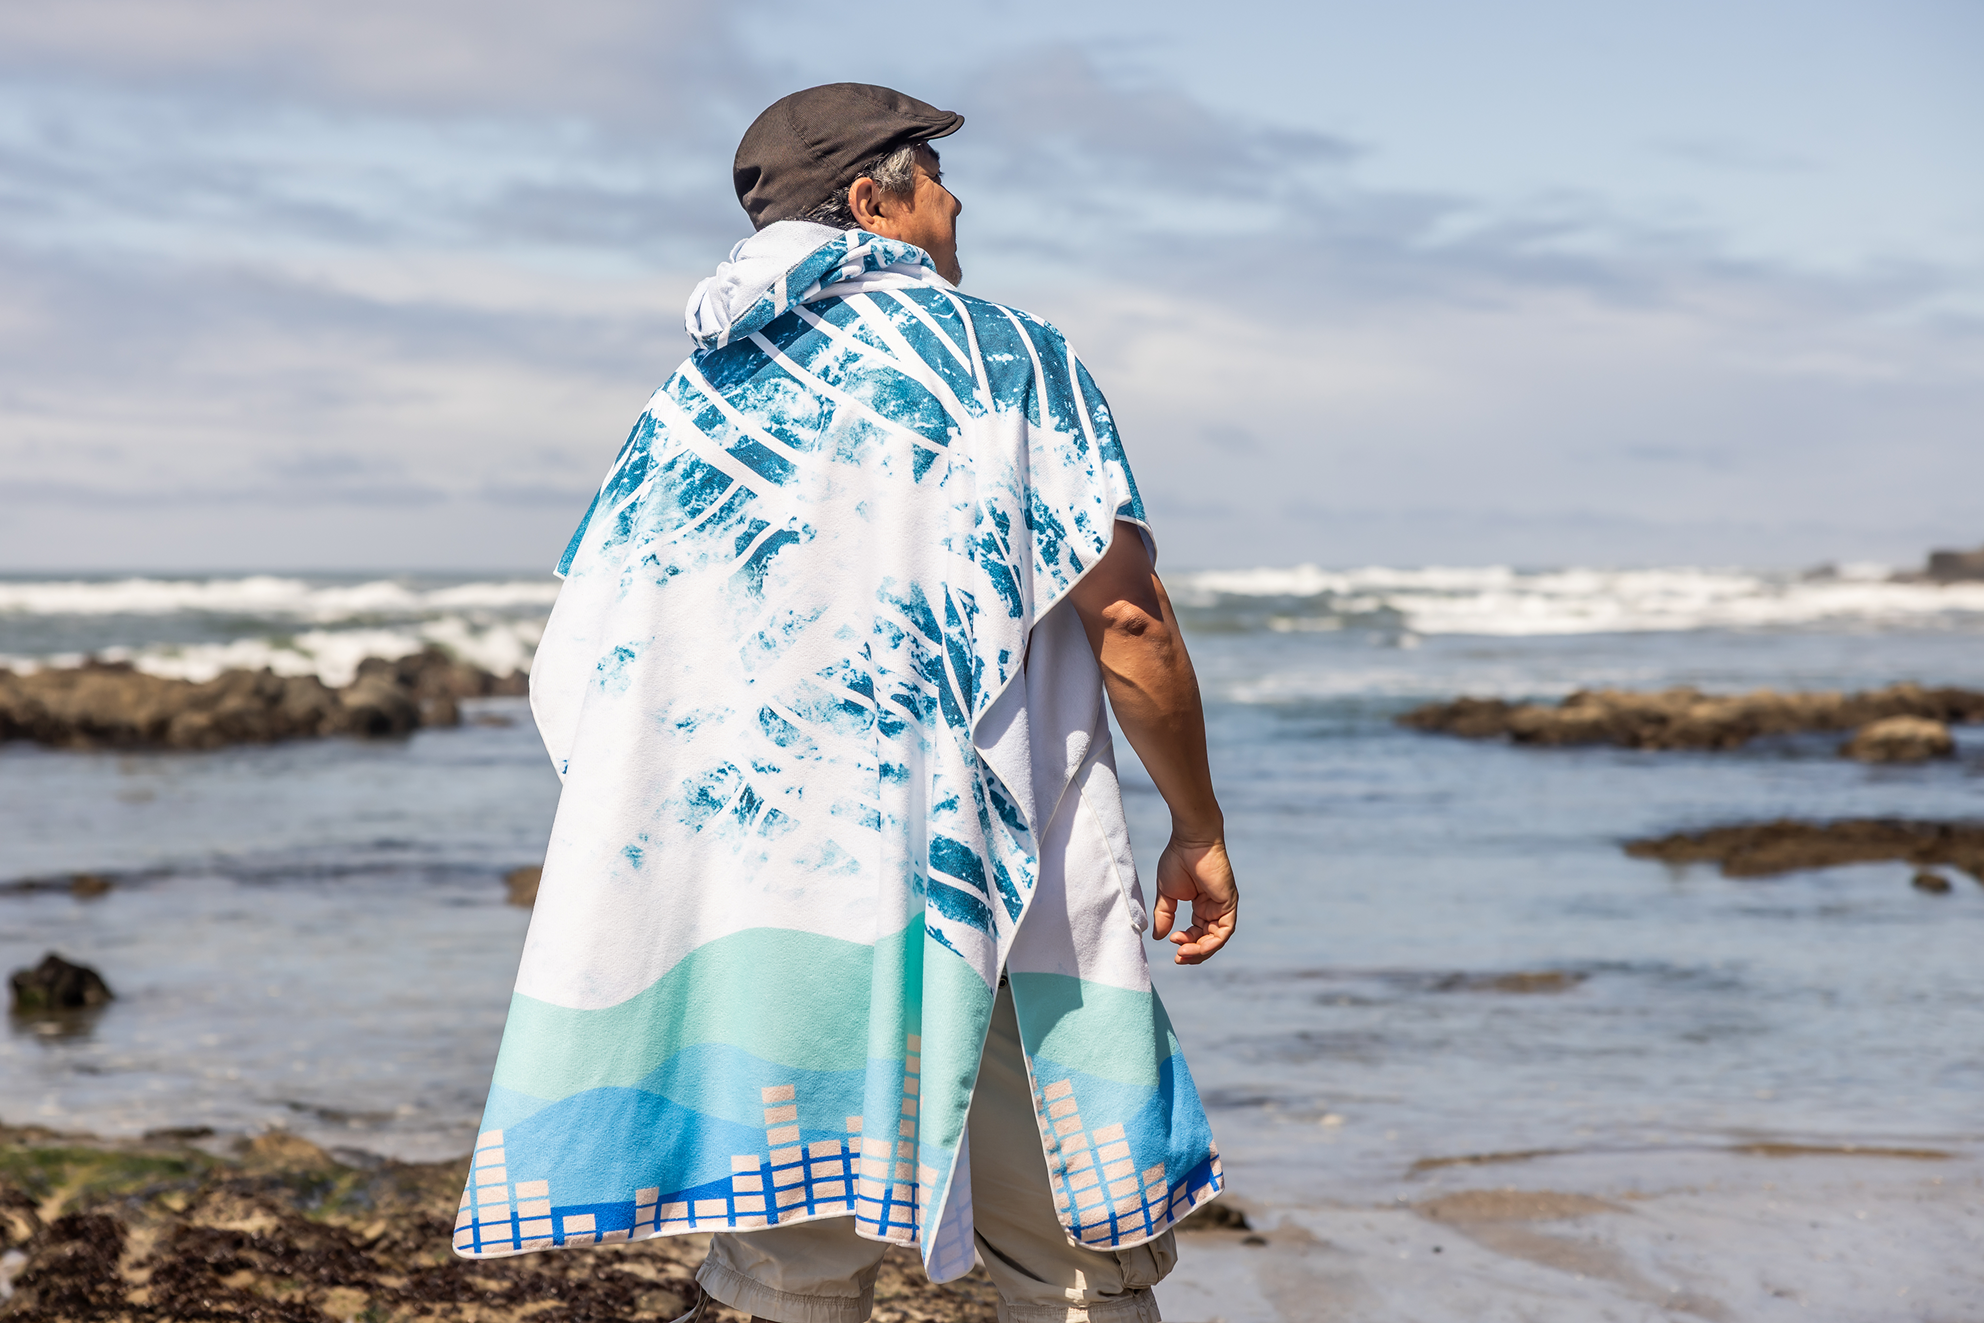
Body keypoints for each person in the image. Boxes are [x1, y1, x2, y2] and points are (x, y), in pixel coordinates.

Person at [454, 83, 1238, 1323]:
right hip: (982, 885)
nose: (957, 195)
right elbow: (1129, 625)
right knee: (1073, 1270)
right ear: (870, 203)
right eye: (930, 173)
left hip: (760, 907)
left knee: (790, 1282)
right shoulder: (1006, 357)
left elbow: (586, 664)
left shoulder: (690, 399)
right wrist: (1197, 829)